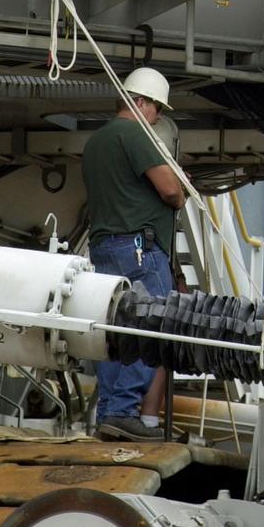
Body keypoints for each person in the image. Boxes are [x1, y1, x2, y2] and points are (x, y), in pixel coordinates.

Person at [81, 66, 185, 442]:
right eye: (157, 108)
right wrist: (181, 194)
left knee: (114, 331)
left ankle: (111, 412)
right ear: (140, 102)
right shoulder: (134, 133)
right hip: (139, 248)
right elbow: (171, 190)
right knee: (156, 325)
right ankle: (125, 409)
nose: (157, 117)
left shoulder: (97, 142)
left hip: (104, 247)